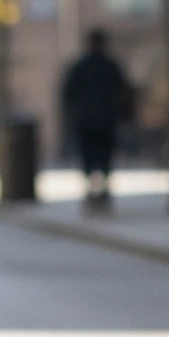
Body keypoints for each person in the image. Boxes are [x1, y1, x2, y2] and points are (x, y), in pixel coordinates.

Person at [61, 28, 132, 214]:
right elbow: (124, 93)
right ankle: (103, 189)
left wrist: (70, 118)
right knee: (104, 155)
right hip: (106, 120)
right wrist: (125, 117)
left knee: (89, 155)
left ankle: (92, 189)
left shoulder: (80, 66)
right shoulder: (111, 65)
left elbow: (69, 96)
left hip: (87, 120)